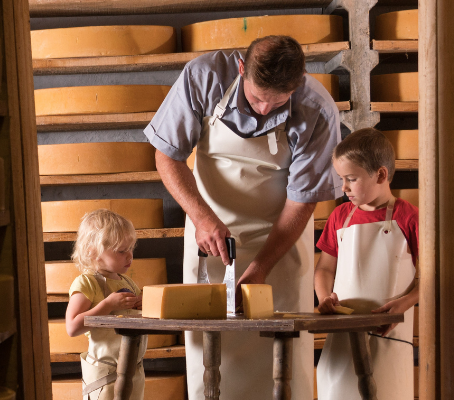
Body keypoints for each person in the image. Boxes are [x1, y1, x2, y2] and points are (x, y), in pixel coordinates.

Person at [145, 34, 342, 399]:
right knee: (210, 354)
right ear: (241, 68)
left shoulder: (317, 108)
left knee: (280, 361)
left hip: (279, 243)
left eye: (276, 103)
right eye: (255, 98)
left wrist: (262, 266)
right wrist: (202, 218)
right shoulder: (203, 77)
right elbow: (166, 156)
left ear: (296, 85)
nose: (264, 110)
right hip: (209, 234)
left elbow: (302, 201)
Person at [314, 128, 421, 400]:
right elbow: (325, 269)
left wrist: (405, 303)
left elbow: (431, 275)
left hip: (389, 336)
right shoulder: (340, 216)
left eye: (351, 179)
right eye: (341, 179)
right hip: (342, 336)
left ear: (381, 175)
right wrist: (325, 297)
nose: (344, 188)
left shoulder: (409, 217)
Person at [64, 209, 147, 400]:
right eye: (121, 251)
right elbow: (72, 326)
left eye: (131, 249)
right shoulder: (86, 283)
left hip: (133, 370)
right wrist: (107, 306)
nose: (130, 256)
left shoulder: (128, 283)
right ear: (93, 252)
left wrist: (146, 304)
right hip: (104, 374)